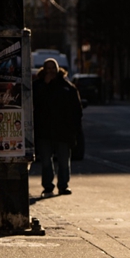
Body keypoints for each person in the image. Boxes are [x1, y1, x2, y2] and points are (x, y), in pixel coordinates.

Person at [32, 58, 83, 198]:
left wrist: (74, 129)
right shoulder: (37, 85)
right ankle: (48, 186)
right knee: (46, 161)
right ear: (43, 70)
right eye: (48, 69)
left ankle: (63, 186)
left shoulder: (67, 86)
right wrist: (45, 85)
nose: (51, 71)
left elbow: (76, 110)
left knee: (63, 161)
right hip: (44, 130)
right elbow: (33, 102)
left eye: (53, 68)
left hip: (63, 131)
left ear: (58, 69)